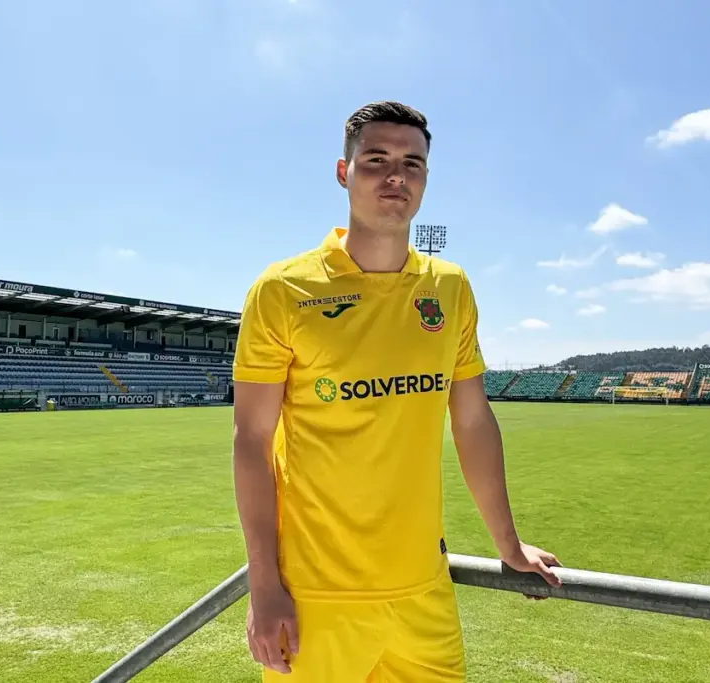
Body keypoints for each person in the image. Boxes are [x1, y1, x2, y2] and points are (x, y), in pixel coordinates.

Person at [232, 101, 561, 681]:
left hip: (423, 593)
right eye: (376, 160)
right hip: (315, 597)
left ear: (427, 178)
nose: (395, 177)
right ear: (344, 172)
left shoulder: (450, 287)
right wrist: (264, 584)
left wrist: (507, 544)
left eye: (413, 164)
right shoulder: (282, 290)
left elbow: (473, 421)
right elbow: (252, 441)